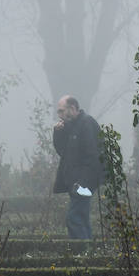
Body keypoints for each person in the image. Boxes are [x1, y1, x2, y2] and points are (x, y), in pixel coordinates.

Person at [52, 94, 101, 241]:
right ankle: (88, 253)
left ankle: (82, 254)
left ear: (72, 108)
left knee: (74, 218)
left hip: (83, 182)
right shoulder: (72, 126)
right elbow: (64, 152)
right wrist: (58, 133)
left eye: (61, 111)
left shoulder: (86, 123)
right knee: (81, 218)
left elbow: (92, 156)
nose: (59, 115)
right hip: (76, 182)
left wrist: (82, 183)